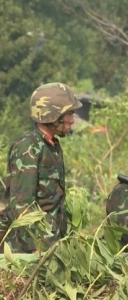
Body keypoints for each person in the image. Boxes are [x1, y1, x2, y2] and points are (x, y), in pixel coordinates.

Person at [0, 82, 83, 253]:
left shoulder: (51, 146)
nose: (72, 120)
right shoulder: (28, 147)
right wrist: (34, 248)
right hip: (27, 251)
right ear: (52, 115)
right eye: (69, 114)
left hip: (50, 244)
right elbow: (21, 205)